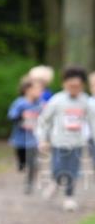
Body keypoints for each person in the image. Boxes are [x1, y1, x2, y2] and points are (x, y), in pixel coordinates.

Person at [36, 66, 95, 212]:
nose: (74, 89)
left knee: (72, 171)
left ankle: (69, 197)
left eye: (78, 86)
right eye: (71, 86)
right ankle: (55, 182)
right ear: (65, 84)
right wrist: (43, 139)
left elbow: (92, 121)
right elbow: (44, 120)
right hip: (59, 142)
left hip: (77, 142)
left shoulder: (85, 101)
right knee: (58, 168)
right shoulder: (57, 100)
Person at [7, 75, 44, 194]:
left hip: (33, 139)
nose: (40, 92)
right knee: (22, 162)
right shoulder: (20, 103)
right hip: (20, 139)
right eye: (37, 89)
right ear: (27, 90)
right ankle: (21, 164)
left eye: (41, 89)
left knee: (33, 162)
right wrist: (20, 116)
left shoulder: (40, 104)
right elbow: (11, 116)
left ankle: (29, 184)